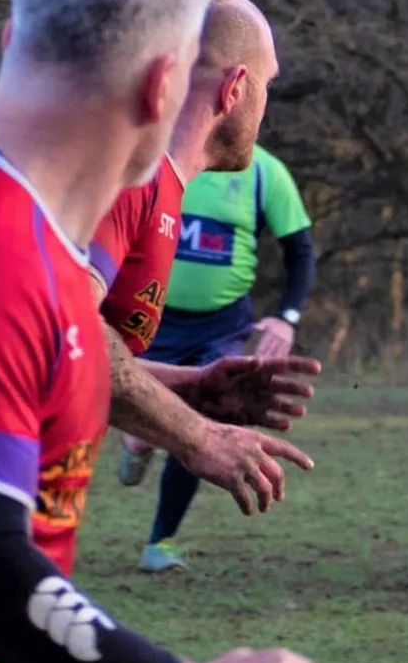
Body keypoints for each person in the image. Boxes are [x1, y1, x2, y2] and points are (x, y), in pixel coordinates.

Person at [0, 0, 344, 663]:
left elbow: (54, 354)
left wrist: (179, 391)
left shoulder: (34, 247)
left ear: (15, 35)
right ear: (169, 81)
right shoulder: (4, 259)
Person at [121, 141, 317, 572]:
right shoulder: (154, 156)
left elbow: (300, 252)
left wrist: (286, 318)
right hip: (151, 318)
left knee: (203, 417)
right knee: (137, 408)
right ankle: (136, 439)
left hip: (224, 327)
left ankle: (161, 542)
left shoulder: (266, 173)